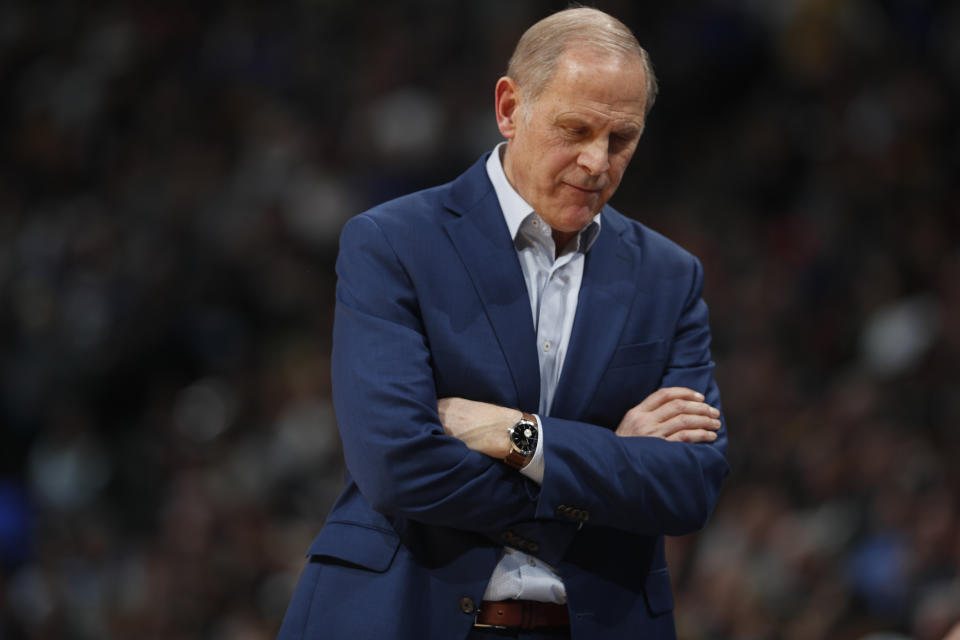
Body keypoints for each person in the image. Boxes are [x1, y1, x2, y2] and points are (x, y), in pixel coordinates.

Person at [278, 7, 729, 639]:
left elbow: (690, 486)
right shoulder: (392, 243)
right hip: (400, 615)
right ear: (510, 108)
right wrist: (605, 468)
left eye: (621, 139)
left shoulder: (670, 277)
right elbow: (397, 465)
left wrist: (517, 435)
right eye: (575, 129)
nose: (598, 162)